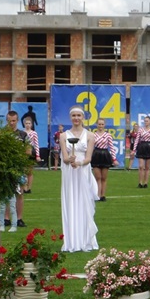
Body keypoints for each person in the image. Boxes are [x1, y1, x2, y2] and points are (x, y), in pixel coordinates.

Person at [60, 106, 98, 252]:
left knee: (84, 204)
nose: (76, 118)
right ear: (70, 117)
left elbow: (88, 158)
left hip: (83, 171)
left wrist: (79, 163)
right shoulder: (63, 136)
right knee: (71, 203)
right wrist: (70, 160)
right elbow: (64, 158)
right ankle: (72, 241)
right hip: (69, 173)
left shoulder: (90, 135)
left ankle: (85, 239)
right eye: (74, 116)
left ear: (83, 117)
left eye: (78, 115)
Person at [5, 110, 30, 228]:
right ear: (7, 120)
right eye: (9, 121)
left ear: (17, 120)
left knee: (19, 192)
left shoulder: (23, 135)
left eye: (14, 121)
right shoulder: (2, 134)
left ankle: (19, 219)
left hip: (19, 167)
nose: (11, 123)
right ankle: (6, 218)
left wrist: (19, 155)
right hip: (5, 167)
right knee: (6, 193)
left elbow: (28, 151)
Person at [90, 117, 117, 201]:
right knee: (98, 177)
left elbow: (111, 147)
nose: (100, 126)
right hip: (96, 155)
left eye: (102, 124)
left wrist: (114, 159)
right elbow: (90, 147)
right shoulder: (93, 135)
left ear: (104, 125)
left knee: (104, 177)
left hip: (105, 155)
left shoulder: (108, 135)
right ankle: (97, 195)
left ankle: (103, 195)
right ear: (96, 125)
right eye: (99, 124)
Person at [134, 115, 150, 189]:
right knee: (141, 166)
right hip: (142, 147)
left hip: (149, 147)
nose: (146, 122)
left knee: (147, 167)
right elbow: (137, 140)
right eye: (145, 121)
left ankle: (145, 183)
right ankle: (140, 182)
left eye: (147, 121)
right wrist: (134, 150)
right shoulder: (140, 130)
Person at [21, 114, 40, 195]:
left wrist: (37, 155)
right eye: (26, 123)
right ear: (24, 124)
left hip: (31, 152)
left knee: (30, 171)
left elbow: (36, 144)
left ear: (31, 124)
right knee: (23, 171)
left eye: (29, 123)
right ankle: (24, 187)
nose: (28, 125)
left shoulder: (34, 133)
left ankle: (29, 188)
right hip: (23, 153)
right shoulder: (21, 132)